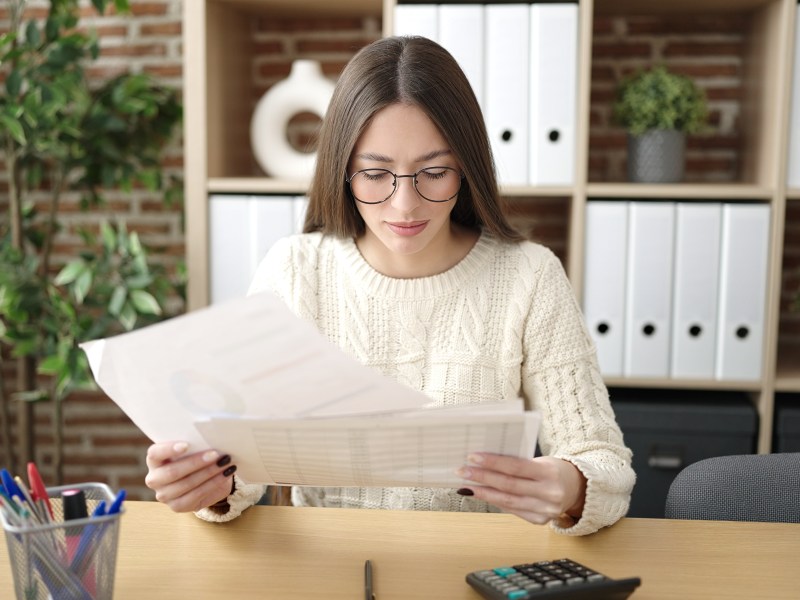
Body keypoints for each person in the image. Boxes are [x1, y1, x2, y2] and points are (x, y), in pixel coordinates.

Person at [145, 36, 635, 536]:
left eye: (435, 172)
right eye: (376, 174)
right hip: (326, 568)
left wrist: (571, 486)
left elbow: (605, 463)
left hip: (470, 569)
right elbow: (242, 466)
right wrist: (210, 482)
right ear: (342, 171)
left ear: (466, 168)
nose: (405, 205)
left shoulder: (529, 276)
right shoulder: (296, 270)